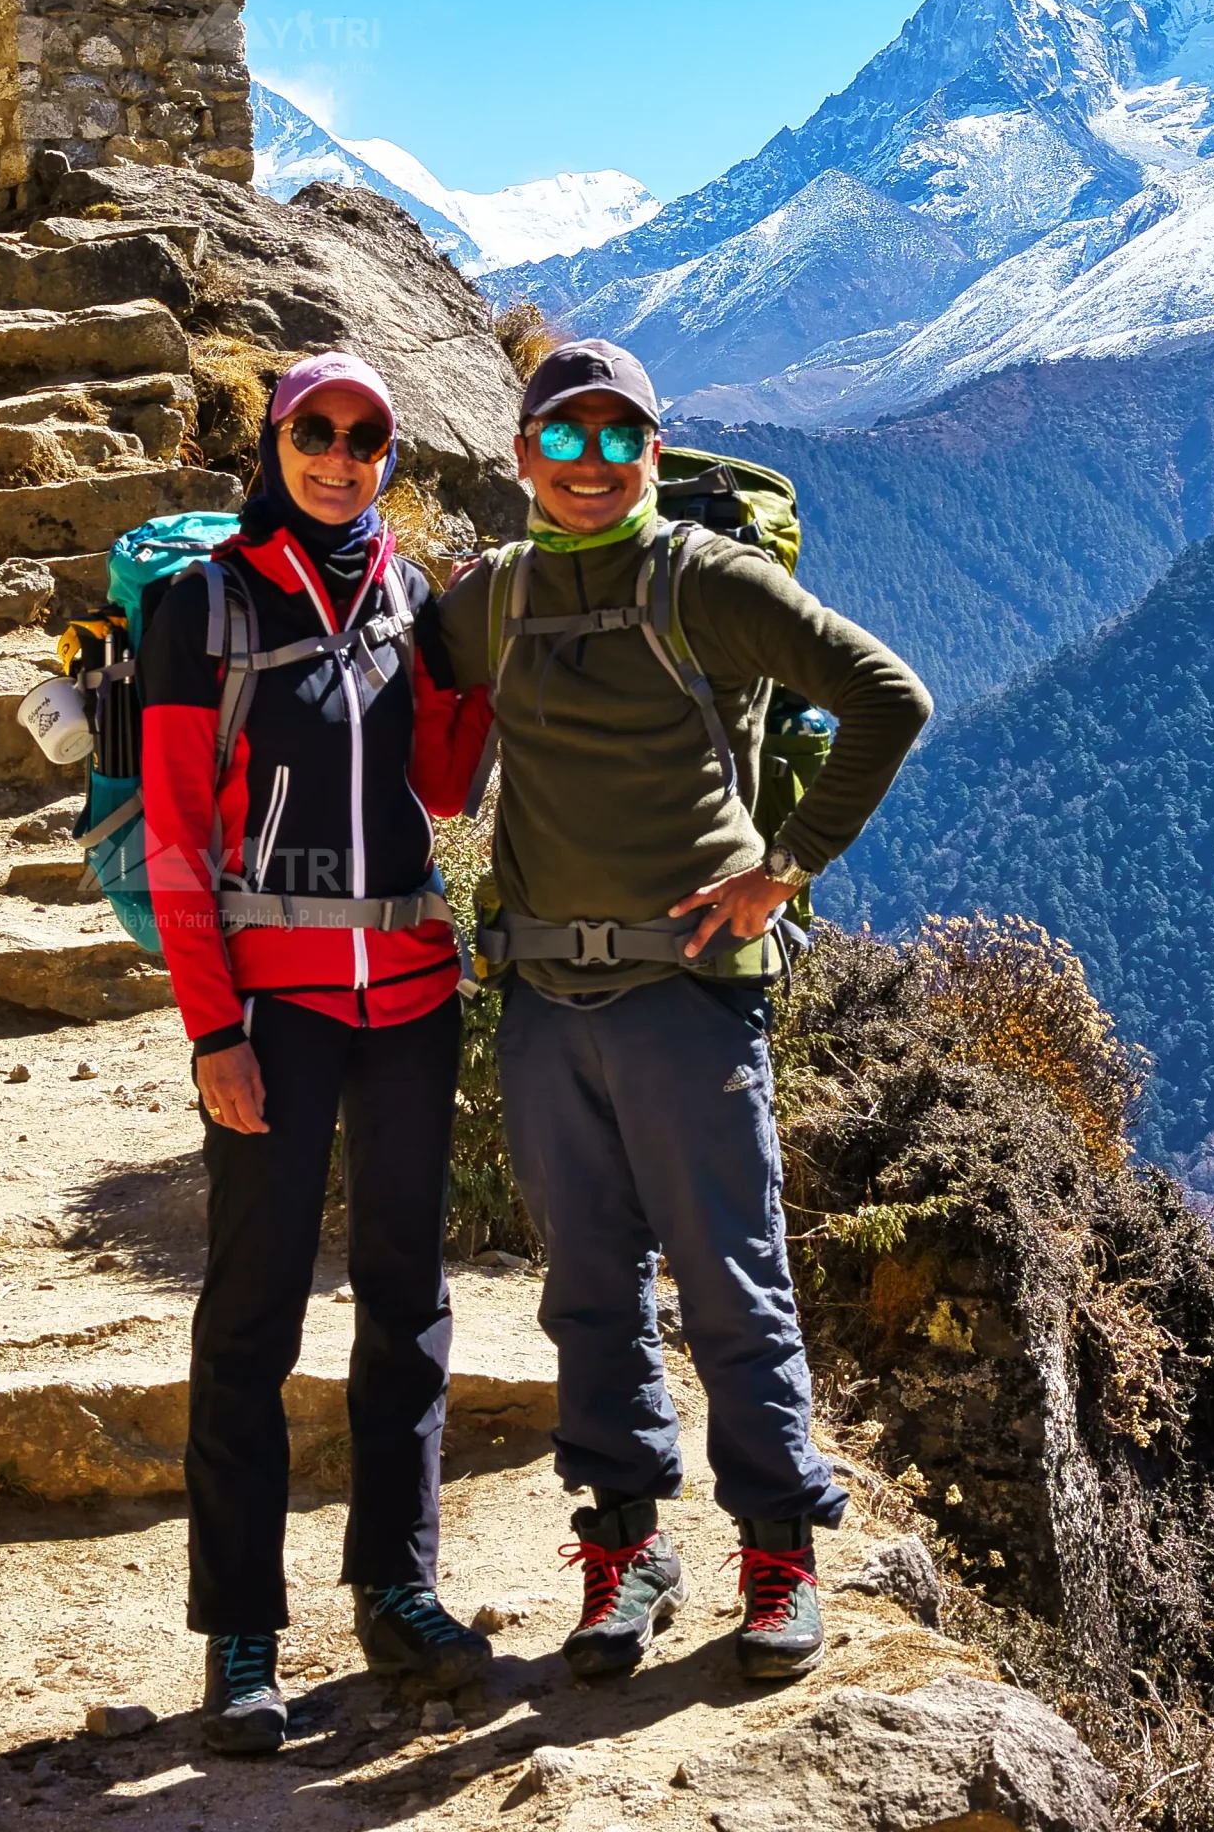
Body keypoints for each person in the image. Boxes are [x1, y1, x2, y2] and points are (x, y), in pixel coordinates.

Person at [438, 339, 933, 1682]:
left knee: (730, 1283)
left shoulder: (705, 581)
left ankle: (776, 1558)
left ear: (650, 454)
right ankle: (623, 1554)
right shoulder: (488, 597)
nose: (590, 463)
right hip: (544, 996)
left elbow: (890, 697)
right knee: (586, 1291)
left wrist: (784, 868)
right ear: (525, 453)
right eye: (564, 437)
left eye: (617, 440)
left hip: (686, 995)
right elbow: (381, 683)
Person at [139, 350, 494, 1755]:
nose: (340, 457)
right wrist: (211, 1028)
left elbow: (447, 790)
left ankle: (396, 1588)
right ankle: (241, 1633)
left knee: (406, 1304)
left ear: (389, 458)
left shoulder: (407, 598)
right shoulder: (203, 605)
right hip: (272, 1013)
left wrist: (463, 661)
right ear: (276, 442)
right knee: (252, 1315)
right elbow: (173, 831)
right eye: (317, 434)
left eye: (364, 439)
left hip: (408, 995)